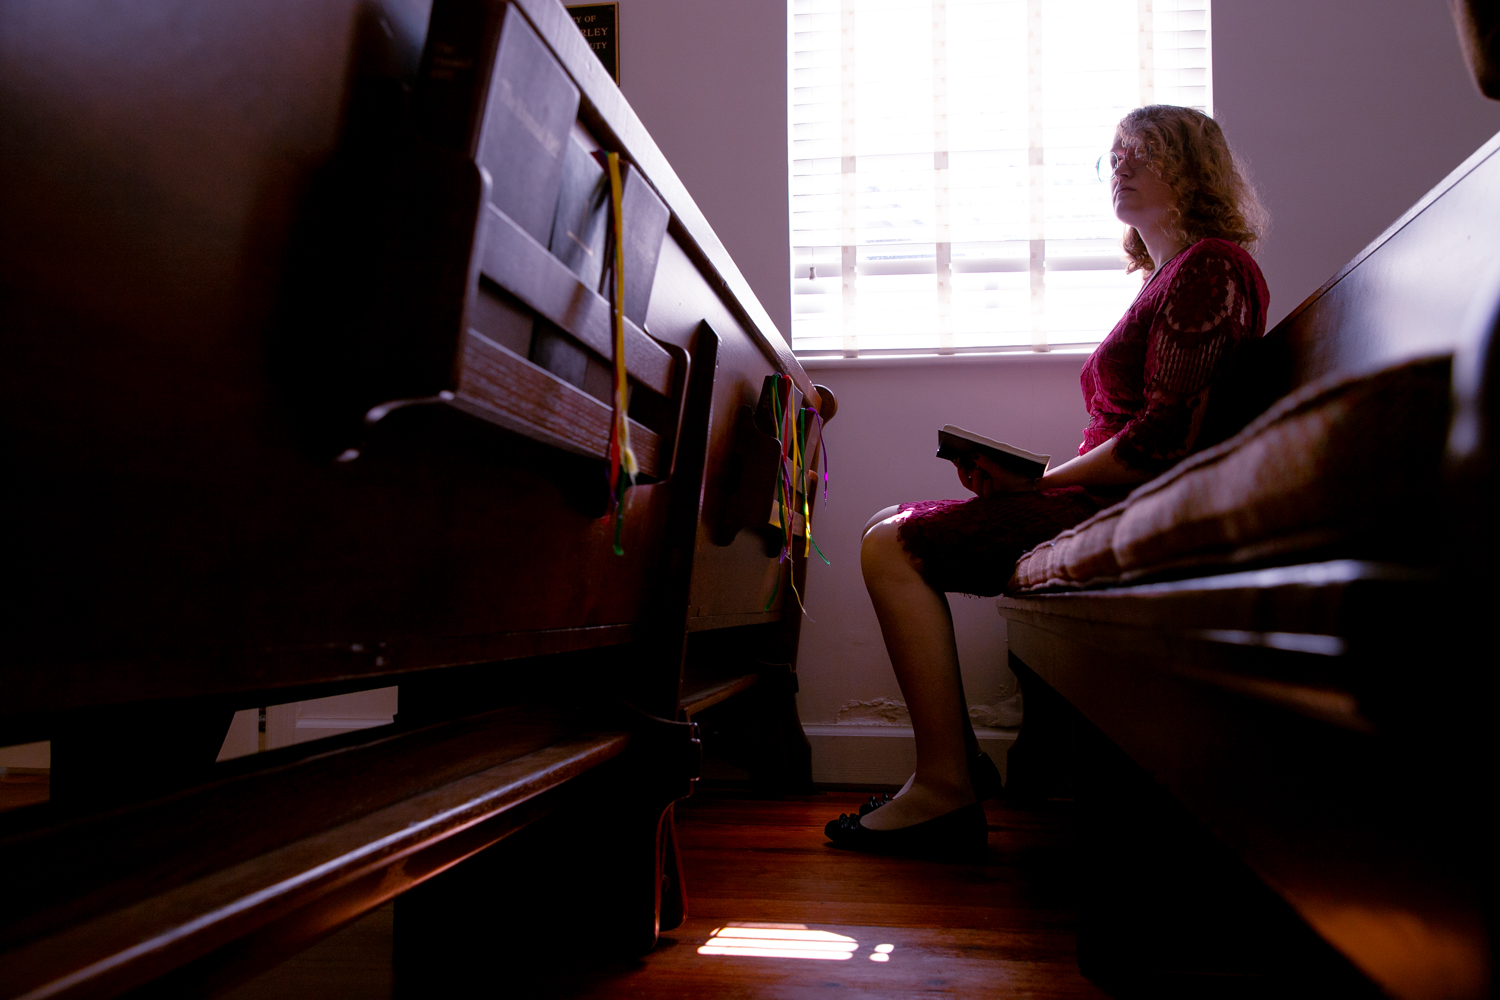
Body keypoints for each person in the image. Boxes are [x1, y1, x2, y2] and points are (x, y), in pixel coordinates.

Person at [825, 105, 1270, 856]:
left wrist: (1040, 485)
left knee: (890, 547)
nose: (1119, 163)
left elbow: (1162, 443)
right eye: (1114, 152)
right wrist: (1030, 480)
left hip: (1130, 505)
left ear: (1193, 167)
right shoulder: (1174, 276)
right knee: (883, 525)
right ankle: (955, 764)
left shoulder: (1212, 268)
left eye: (1142, 149)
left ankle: (944, 788)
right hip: (1103, 498)